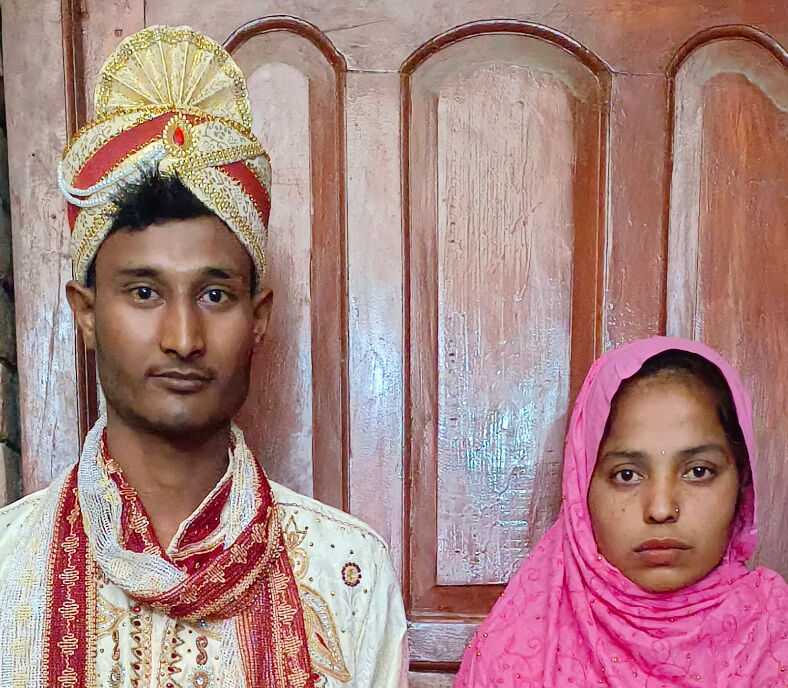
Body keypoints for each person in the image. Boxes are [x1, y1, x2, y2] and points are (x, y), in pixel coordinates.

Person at [0, 25, 407, 688]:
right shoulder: (9, 569)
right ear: (86, 313)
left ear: (258, 318)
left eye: (215, 294)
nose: (183, 337)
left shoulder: (345, 574)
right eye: (144, 292)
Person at [455, 337, 788, 687]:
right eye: (627, 475)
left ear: (742, 484)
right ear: (581, 488)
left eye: (698, 471)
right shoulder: (513, 656)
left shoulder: (775, 633)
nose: (661, 509)